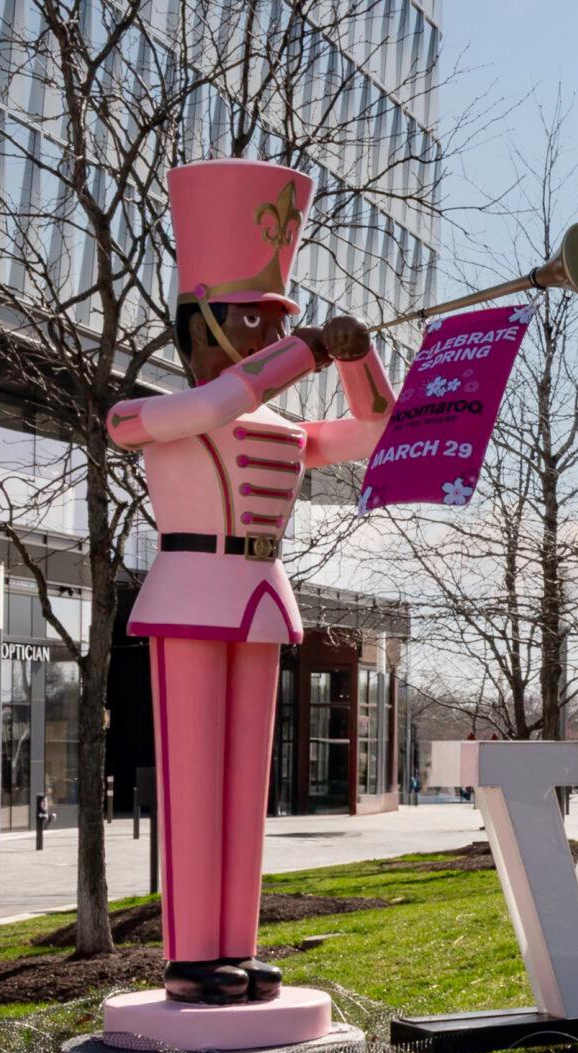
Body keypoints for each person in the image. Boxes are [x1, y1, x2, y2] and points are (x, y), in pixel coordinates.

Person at [106, 159, 391, 1004]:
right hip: (190, 593)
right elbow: (214, 406)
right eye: (250, 317)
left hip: (263, 599)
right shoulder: (147, 411)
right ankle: (192, 954)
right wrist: (300, 354)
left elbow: (374, 431)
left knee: (243, 788)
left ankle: (235, 942)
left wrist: (356, 358)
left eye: (277, 319)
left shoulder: (283, 423)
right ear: (200, 325)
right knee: (193, 782)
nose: (265, 331)